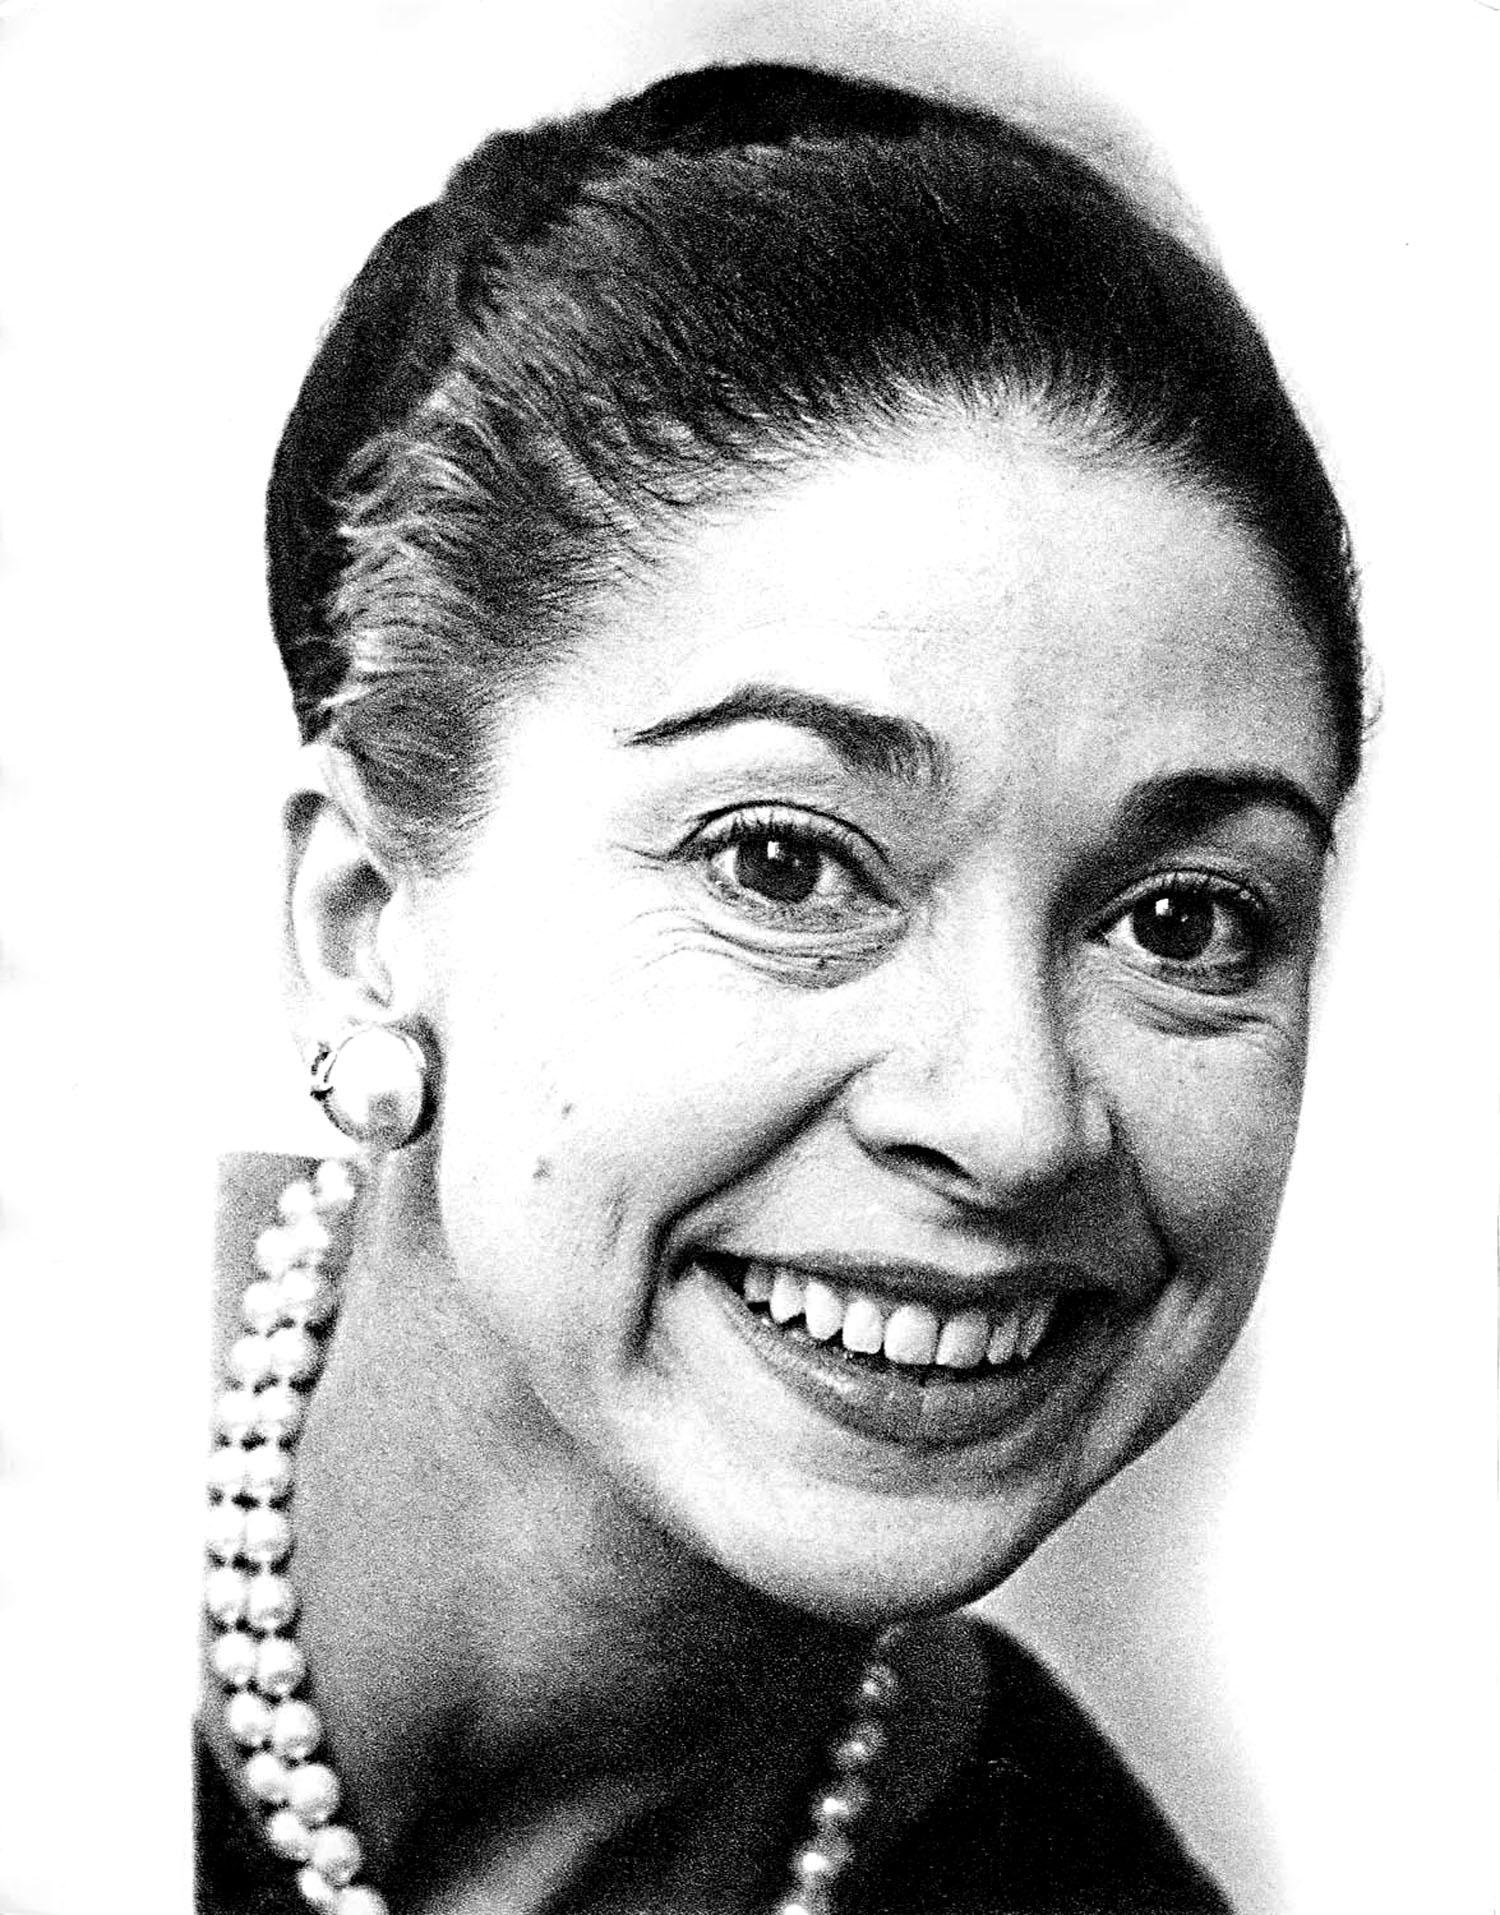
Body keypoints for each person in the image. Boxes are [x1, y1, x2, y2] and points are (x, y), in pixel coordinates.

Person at [198, 60, 1362, 1915]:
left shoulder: (1063, 1879)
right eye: (783, 863)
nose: (1011, 1118)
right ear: (363, 919)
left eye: (1181, 919)